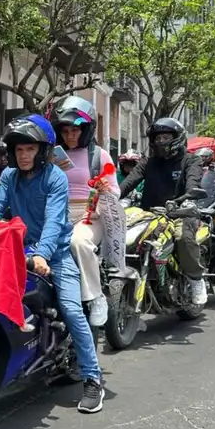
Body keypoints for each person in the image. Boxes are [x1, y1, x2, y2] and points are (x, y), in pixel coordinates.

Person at [0, 114, 106, 414]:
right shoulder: (7, 177)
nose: (24, 155)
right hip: (18, 251)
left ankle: (93, 379)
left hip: (55, 254)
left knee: (70, 309)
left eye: (30, 149)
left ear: (42, 151)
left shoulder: (55, 177)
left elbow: (55, 220)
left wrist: (42, 253)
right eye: (19, 150)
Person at [119, 117, 208, 306]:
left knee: (183, 237)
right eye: (157, 138)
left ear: (177, 138)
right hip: (148, 214)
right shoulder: (147, 163)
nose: (160, 142)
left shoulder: (191, 160)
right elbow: (126, 184)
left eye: (165, 137)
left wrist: (189, 199)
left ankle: (195, 279)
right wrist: (109, 195)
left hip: (180, 213)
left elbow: (193, 183)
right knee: (121, 233)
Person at [49, 96, 122, 327]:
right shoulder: (51, 155)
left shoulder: (99, 155)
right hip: (56, 214)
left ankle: (95, 297)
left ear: (86, 130)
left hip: (90, 215)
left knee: (79, 243)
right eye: (66, 131)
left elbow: (115, 190)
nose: (70, 136)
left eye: (75, 131)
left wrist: (104, 188)